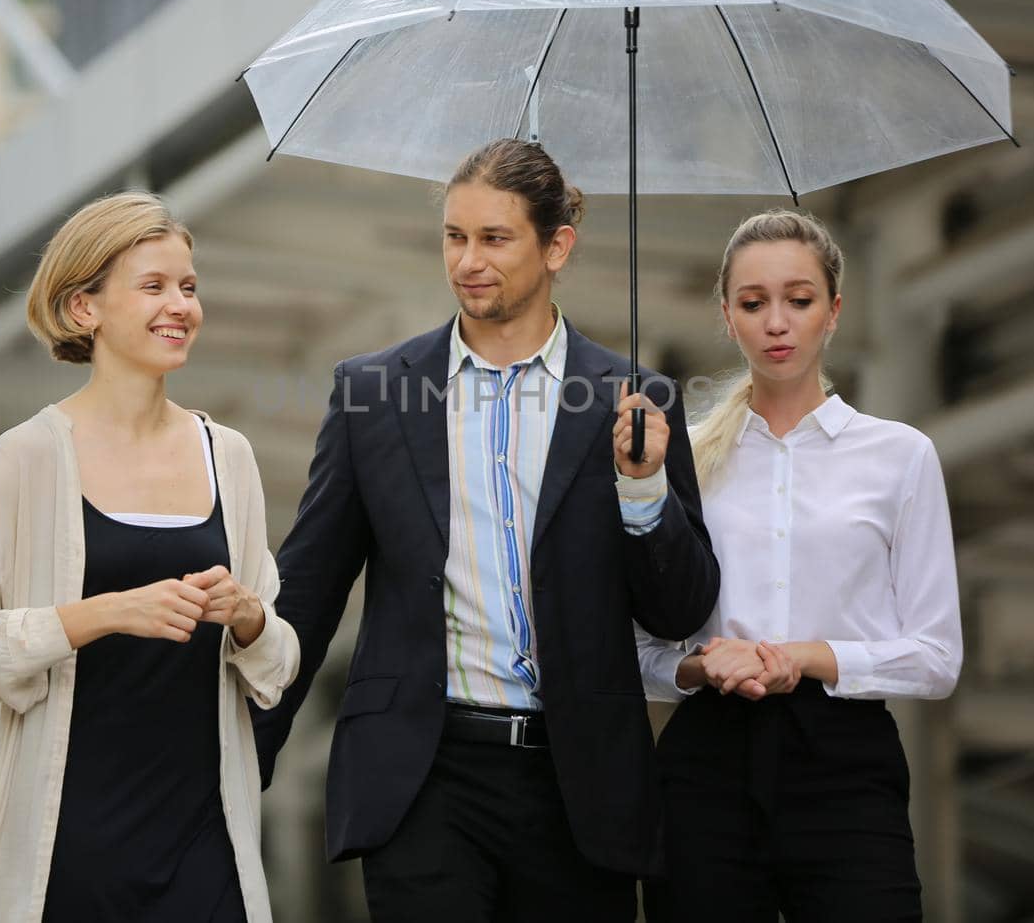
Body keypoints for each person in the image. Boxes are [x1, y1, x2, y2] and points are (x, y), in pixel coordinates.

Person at [252, 138, 719, 922]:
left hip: (579, 789)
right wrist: (245, 754)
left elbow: (680, 611)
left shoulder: (636, 401)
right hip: (422, 776)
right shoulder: (373, 393)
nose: (468, 260)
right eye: (454, 236)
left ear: (557, 245)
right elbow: (307, 588)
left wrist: (642, 491)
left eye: (494, 238)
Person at [0, 192, 300, 923]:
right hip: (67, 856)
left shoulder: (230, 456)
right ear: (83, 309)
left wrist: (253, 617)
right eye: (154, 286)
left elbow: (277, 668)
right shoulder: (27, 456)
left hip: (206, 850)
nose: (181, 306)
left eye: (189, 287)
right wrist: (93, 615)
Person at [637, 209, 962, 922]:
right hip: (705, 761)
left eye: (800, 299)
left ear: (835, 311)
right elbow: (635, 651)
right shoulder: (678, 458)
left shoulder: (900, 456)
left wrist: (809, 657)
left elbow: (937, 657)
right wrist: (699, 666)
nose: (777, 322)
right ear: (726, 316)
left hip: (845, 761)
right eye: (753, 303)